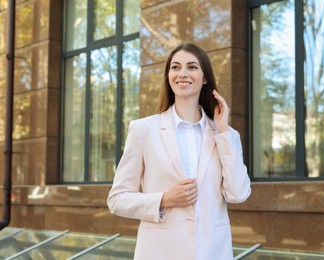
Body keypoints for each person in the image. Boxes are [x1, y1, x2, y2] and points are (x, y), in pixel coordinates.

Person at [107, 43, 251, 260]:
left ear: (204, 78)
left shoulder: (226, 135)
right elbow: (117, 199)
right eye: (175, 67)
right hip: (160, 252)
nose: (182, 73)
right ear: (168, 76)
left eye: (192, 67)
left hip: (213, 252)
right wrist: (163, 199)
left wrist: (222, 131)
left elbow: (238, 194)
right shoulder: (143, 129)